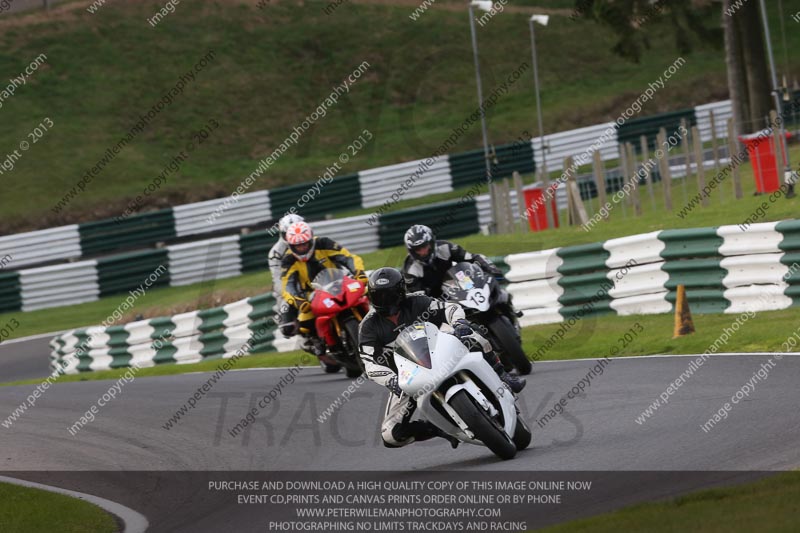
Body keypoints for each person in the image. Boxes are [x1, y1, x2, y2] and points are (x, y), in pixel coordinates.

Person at [358, 267, 525, 449]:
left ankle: (503, 376)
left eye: (388, 295)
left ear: (400, 292)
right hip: (407, 378)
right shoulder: (368, 326)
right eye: (378, 296)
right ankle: (437, 429)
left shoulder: (417, 301)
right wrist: (391, 380)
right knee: (390, 435)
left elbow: (450, 308)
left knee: (473, 333)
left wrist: (459, 323)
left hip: (440, 351)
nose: (384, 301)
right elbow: (369, 363)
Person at [401, 224, 522, 324]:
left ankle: (510, 311)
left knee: (495, 289)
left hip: (456, 283)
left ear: (431, 243)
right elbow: (417, 297)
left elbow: (472, 257)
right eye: (418, 249)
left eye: (425, 247)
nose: (423, 252)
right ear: (412, 251)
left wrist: (492, 269)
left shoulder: (445, 247)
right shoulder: (410, 269)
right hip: (435, 298)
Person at [279, 221, 367, 357]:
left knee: (368, 292)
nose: (302, 248)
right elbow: (287, 285)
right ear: (291, 246)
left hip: (339, 282)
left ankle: (379, 323)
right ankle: (318, 341)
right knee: (305, 321)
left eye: (304, 244)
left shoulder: (324, 243)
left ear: (310, 240)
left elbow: (348, 257)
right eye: (297, 246)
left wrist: (359, 272)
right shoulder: (288, 260)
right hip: (312, 294)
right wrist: (298, 301)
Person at [268, 214, 305, 320]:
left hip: (313, 282)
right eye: (290, 234)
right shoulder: (275, 253)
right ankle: (291, 326)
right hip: (291, 287)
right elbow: (277, 279)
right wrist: (291, 294)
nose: (295, 237)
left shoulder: (313, 242)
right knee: (286, 311)